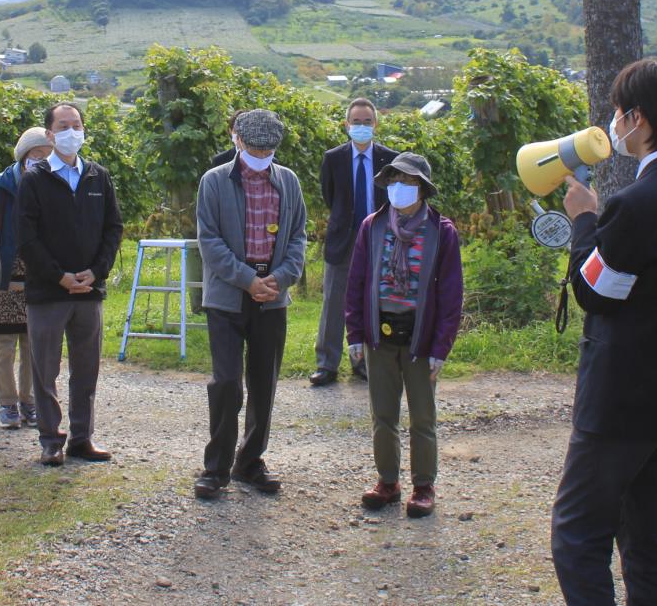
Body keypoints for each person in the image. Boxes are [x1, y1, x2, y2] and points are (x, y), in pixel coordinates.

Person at [550, 59, 657, 605]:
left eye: (619, 113)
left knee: (577, 536)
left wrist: (584, 221)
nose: (614, 123)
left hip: (619, 402)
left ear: (640, 120)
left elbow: (594, 291)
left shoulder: (637, 203)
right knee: (649, 543)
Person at [192, 109, 307, 500]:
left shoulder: (288, 182)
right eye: (255, 147)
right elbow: (209, 242)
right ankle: (216, 467)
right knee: (226, 382)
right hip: (227, 296)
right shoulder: (213, 182)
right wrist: (247, 279)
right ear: (237, 140)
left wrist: (281, 277)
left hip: (272, 297)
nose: (262, 155)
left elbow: (298, 238)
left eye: (269, 149)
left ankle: (250, 461)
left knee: (264, 383)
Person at [344, 152, 463, 518]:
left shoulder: (442, 232)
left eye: (407, 182)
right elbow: (357, 282)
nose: (398, 188)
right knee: (383, 414)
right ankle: (388, 481)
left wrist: (441, 348)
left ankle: (423, 486)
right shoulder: (373, 225)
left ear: (422, 189)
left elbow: (450, 296)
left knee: (423, 417)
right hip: (380, 335)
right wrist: (355, 335)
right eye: (393, 181)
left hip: (420, 338)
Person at [17, 102, 123, 466]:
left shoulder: (98, 176)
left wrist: (97, 272)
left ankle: (82, 438)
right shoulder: (34, 179)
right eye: (63, 125)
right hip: (48, 293)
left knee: (86, 368)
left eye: (76, 124)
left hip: (89, 291)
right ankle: (50, 439)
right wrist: (58, 276)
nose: (71, 131)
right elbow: (26, 237)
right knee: (45, 370)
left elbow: (113, 229)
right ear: (49, 134)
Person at [314, 98, 396, 386]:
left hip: (379, 239)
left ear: (375, 124)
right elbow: (330, 195)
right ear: (346, 125)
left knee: (372, 303)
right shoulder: (333, 158)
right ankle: (326, 364)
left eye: (366, 122)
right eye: (356, 122)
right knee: (333, 303)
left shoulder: (390, 159)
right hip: (343, 240)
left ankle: (363, 363)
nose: (361, 126)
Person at [0, 127, 49, 431]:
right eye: (37, 154)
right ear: (24, 156)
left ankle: (29, 401)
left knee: (33, 343)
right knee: (4, 343)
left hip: (37, 278)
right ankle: (7, 403)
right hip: (4, 276)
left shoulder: (51, 187)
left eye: (48, 155)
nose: (43, 160)